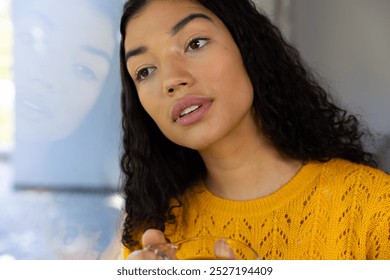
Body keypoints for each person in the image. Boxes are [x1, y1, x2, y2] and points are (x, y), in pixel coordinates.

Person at [119, 0, 390, 260]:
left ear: (247, 47)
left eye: (195, 43)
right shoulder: (152, 238)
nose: (171, 79)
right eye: (144, 71)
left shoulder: (374, 205)